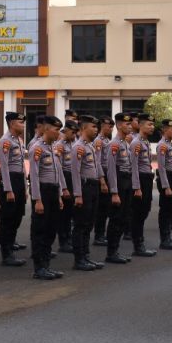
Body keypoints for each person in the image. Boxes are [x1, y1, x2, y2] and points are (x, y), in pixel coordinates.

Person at [29, 116, 66, 279]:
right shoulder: (37, 148)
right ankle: (39, 268)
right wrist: (37, 199)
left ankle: (46, 265)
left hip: (53, 192)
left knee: (51, 230)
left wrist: (59, 196)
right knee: (40, 231)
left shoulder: (52, 148)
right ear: (46, 129)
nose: (58, 133)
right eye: (56, 129)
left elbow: (57, 173)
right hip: (42, 192)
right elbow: (35, 176)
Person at [69, 115, 104, 271]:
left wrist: (101, 181)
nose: (96, 130)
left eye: (97, 127)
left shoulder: (90, 146)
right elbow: (75, 172)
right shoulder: (79, 147)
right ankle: (79, 259)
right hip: (84, 188)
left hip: (93, 186)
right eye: (93, 127)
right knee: (81, 225)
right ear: (83, 128)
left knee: (89, 223)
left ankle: (86, 256)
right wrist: (77, 194)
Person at [104, 112, 138, 264]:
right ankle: (111, 253)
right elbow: (111, 170)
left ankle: (115, 250)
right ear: (118, 125)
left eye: (131, 124)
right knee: (116, 219)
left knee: (124, 217)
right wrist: (114, 192)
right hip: (118, 182)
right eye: (126, 124)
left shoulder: (126, 143)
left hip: (127, 181)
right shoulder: (114, 144)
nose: (129, 127)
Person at [0, 111, 28, 267]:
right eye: (20, 122)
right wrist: (8, 190)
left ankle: (11, 244)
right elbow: (4, 167)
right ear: (11, 124)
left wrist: (25, 188)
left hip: (19, 181)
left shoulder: (20, 140)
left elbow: (22, 165)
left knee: (17, 215)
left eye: (23, 122)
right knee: (8, 218)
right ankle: (6, 253)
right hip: (9, 180)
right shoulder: (6, 141)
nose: (22, 125)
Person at [129, 113, 156, 256]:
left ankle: (140, 243)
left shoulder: (145, 141)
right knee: (138, 213)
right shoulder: (136, 143)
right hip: (140, 179)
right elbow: (133, 166)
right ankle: (138, 245)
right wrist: (136, 187)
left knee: (145, 210)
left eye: (152, 125)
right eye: (149, 124)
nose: (152, 127)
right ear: (140, 125)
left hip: (146, 178)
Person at [155, 119, 172, 251]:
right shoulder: (162, 145)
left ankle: (168, 238)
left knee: (171, 209)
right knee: (165, 210)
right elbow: (162, 168)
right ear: (165, 130)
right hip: (165, 179)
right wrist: (166, 186)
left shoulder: (170, 144)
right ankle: (164, 240)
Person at [54, 120, 78, 255]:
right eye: (72, 132)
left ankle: (68, 239)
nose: (74, 135)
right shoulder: (60, 146)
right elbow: (59, 169)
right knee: (64, 214)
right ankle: (63, 241)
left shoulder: (74, 144)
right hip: (65, 179)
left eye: (76, 133)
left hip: (73, 178)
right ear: (65, 131)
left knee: (71, 212)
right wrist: (63, 188)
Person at [92, 115, 114, 248]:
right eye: (109, 126)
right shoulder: (98, 141)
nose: (111, 129)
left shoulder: (107, 140)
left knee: (106, 207)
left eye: (112, 127)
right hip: (102, 175)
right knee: (101, 207)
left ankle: (101, 234)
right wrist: (102, 181)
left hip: (108, 173)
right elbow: (98, 162)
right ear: (102, 126)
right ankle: (99, 235)